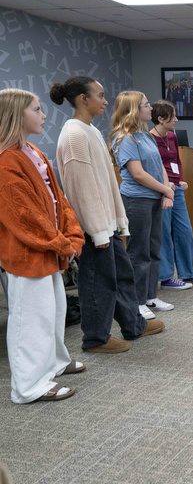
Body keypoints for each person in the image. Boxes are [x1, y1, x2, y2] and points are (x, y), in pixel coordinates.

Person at [52, 77, 164, 354]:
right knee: (98, 283)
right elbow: (81, 189)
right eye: (100, 96)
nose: (105, 101)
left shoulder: (89, 130)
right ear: (82, 99)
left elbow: (105, 183)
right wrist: (97, 228)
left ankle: (133, 324)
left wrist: (116, 220)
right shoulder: (74, 134)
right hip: (94, 227)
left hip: (106, 222)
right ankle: (96, 338)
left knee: (122, 275)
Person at [0, 88, 85, 403]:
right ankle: (28, 386)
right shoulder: (6, 160)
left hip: (49, 250)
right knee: (30, 319)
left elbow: (56, 200)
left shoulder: (30, 150)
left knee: (53, 312)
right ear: (16, 115)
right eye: (36, 109)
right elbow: (22, 215)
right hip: (28, 253)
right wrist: (61, 242)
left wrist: (70, 235)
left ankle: (53, 363)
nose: (44, 114)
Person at [111, 91, 175, 317]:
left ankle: (150, 296)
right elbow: (138, 174)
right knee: (139, 253)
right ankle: (136, 302)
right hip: (137, 200)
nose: (151, 109)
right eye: (146, 105)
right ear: (133, 110)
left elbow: (160, 168)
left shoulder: (146, 135)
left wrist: (168, 192)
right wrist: (165, 190)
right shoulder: (124, 138)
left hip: (155, 198)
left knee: (154, 249)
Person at [150, 99, 193, 289]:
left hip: (176, 189)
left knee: (185, 231)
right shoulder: (149, 138)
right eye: (172, 116)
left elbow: (178, 161)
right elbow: (153, 167)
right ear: (160, 119)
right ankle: (167, 278)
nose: (176, 120)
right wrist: (166, 187)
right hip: (162, 191)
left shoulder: (172, 137)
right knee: (165, 234)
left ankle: (187, 273)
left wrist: (179, 179)